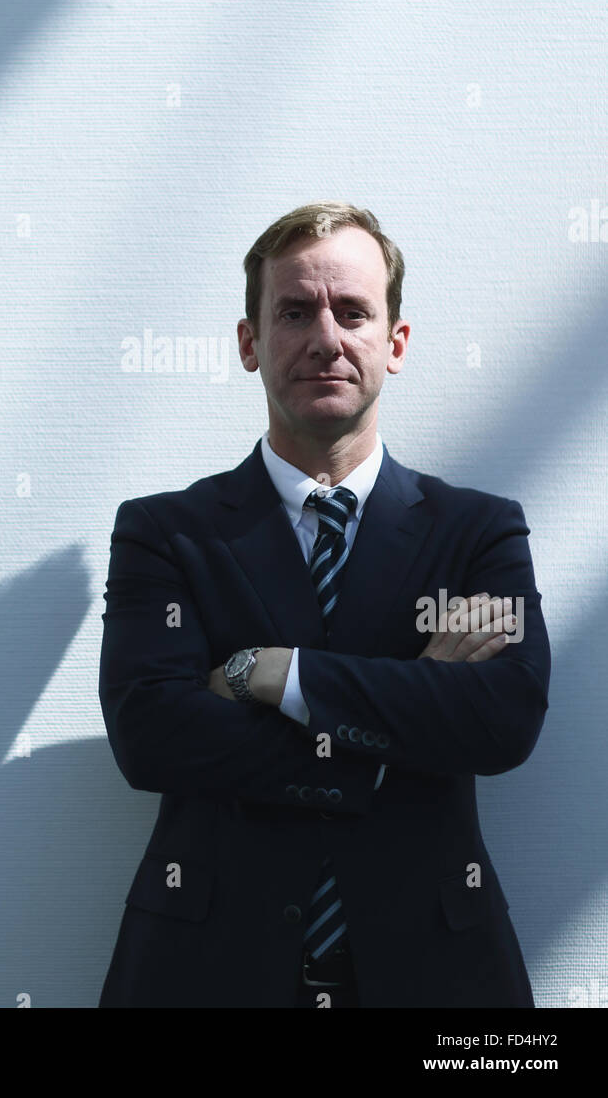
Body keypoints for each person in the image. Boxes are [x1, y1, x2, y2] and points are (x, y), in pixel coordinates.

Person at [97, 201, 550, 1008]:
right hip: (205, 978)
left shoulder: (480, 532)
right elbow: (152, 736)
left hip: (441, 983)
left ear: (396, 343)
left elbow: (503, 718)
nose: (326, 338)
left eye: (353, 312)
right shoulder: (165, 535)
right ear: (250, 342)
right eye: (295, 312)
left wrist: (273, 674)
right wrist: (402, 717)